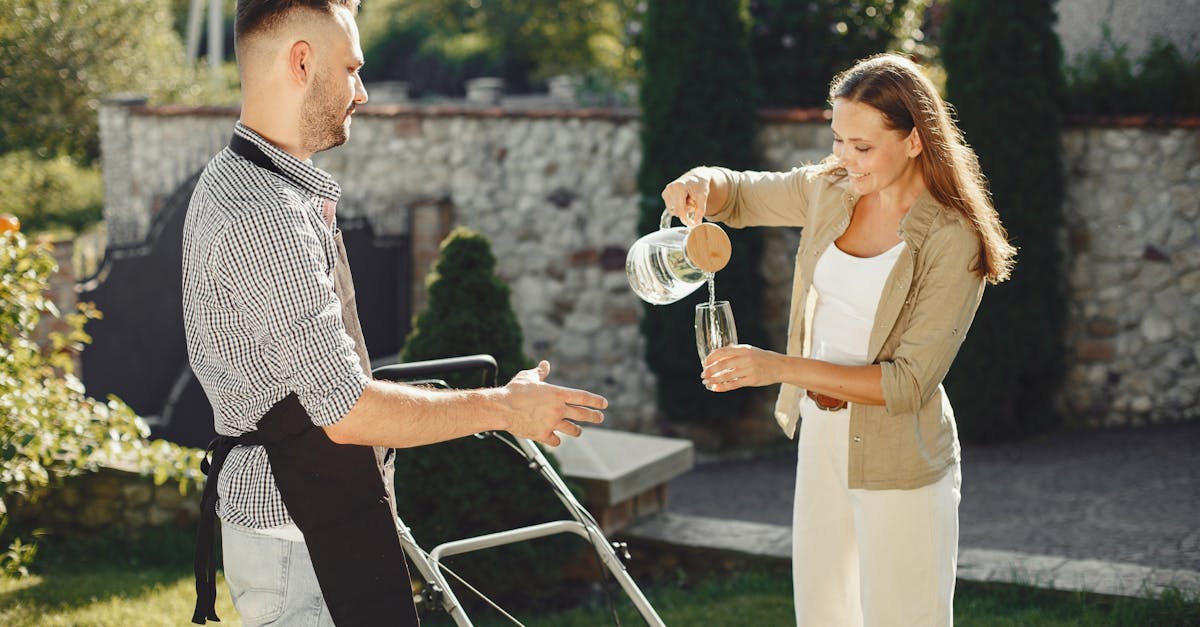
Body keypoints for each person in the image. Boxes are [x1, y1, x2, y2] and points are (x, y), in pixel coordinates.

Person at [181, 1, 608, 625]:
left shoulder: (243, 180)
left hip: (309, 521)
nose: (362, 89)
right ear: (301, 62)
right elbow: (347, 410)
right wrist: (505, 409)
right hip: (301, 542)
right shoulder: (266, 215)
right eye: (351, 67)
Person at [660, 53, 1016, 626]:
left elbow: (907, 382)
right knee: (824, 616)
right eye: (838, 140)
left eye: (863, 147)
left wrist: (776, 367)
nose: (844, 159)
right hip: (822, 439)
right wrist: (702, 181)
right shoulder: (832, 189)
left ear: (916, 140)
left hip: (900, 456)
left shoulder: (955, 239)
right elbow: (743, 196)